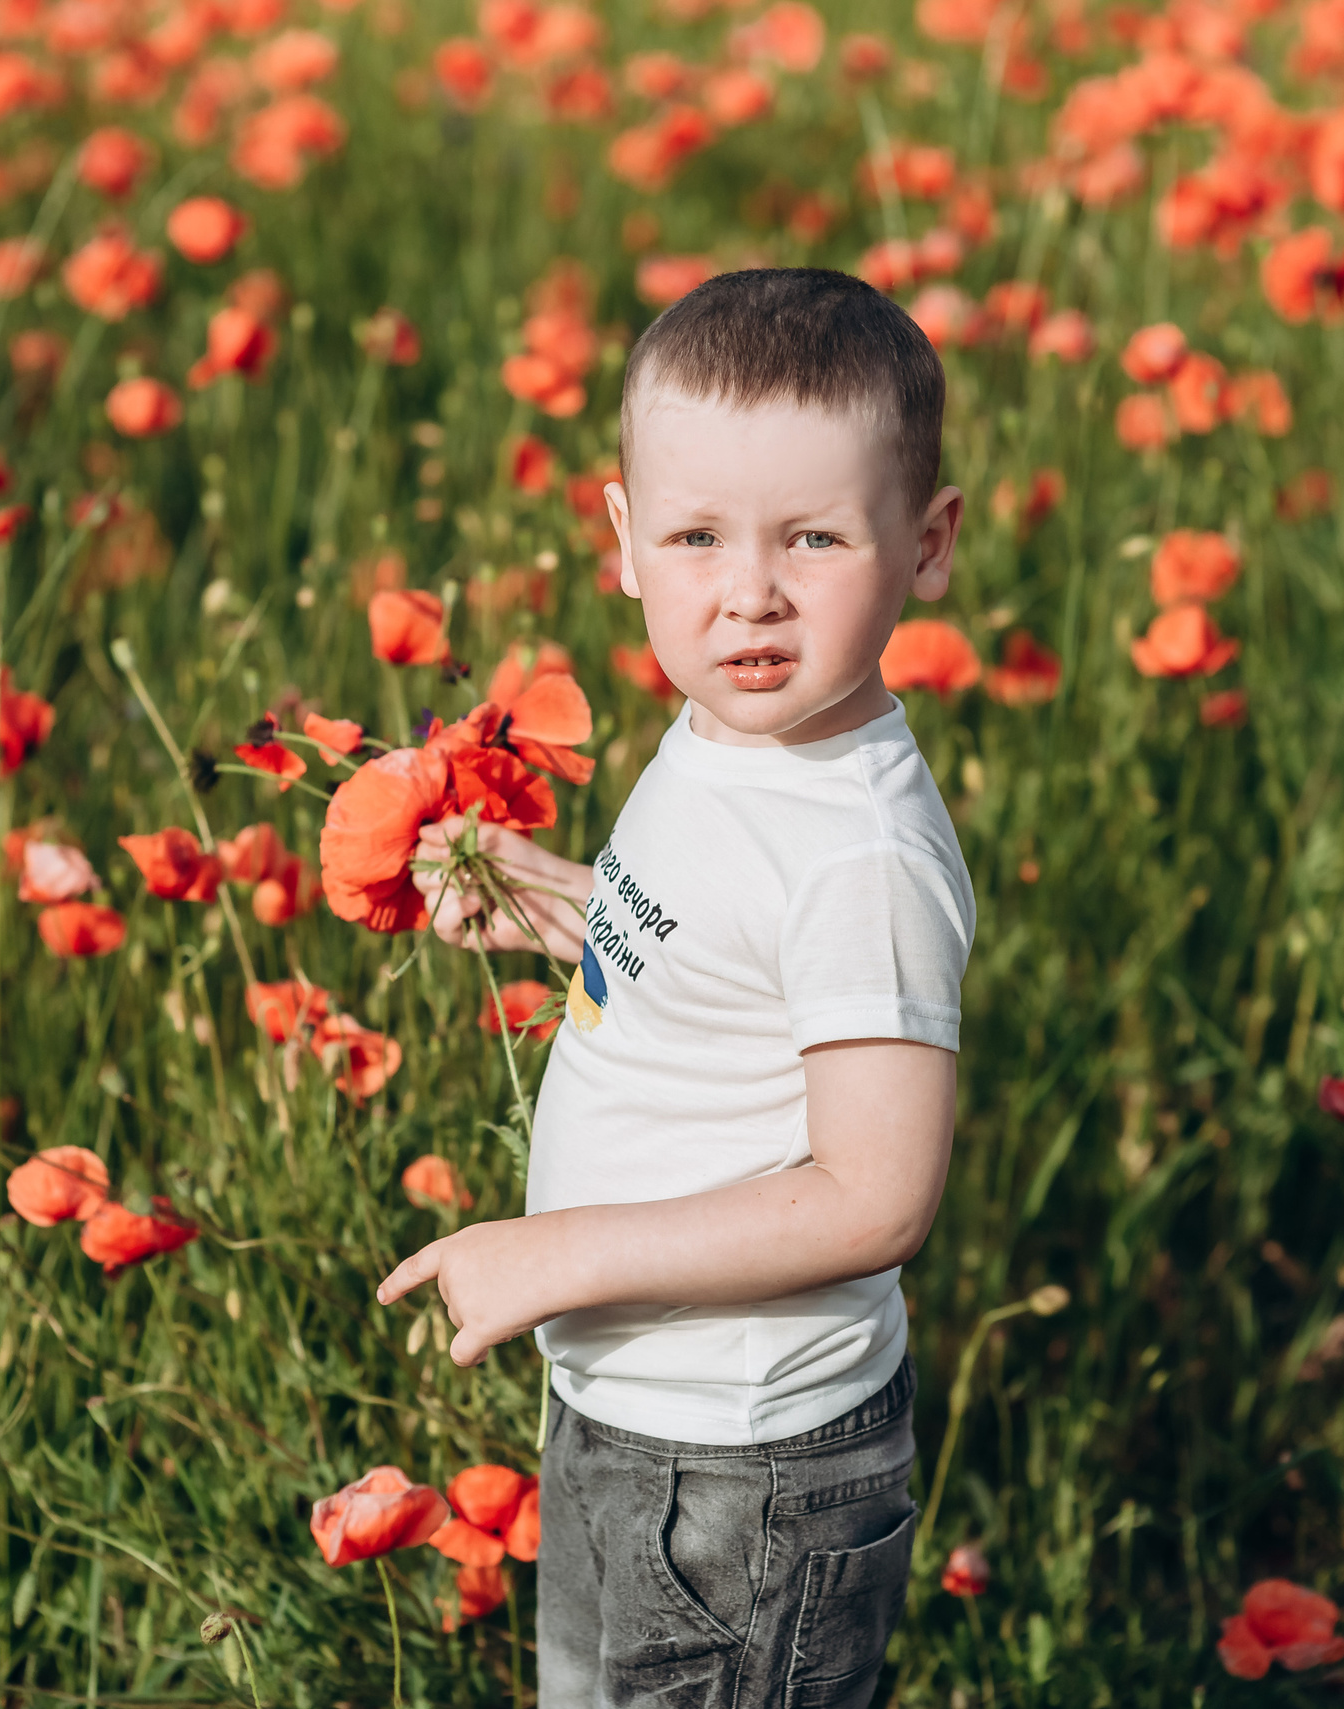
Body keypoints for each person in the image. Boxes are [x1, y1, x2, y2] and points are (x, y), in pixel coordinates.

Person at [378, 266, 975, 1708]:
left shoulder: (862, 853)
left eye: (815, 537)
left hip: (748, 1472)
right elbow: (707, 953)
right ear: (626, 540)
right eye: (700, 535)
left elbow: (875, 1196)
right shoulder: (727, 737)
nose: (751, 592)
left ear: (926, 543)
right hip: (639, 1418)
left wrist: (559, 1256)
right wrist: (549, 902)